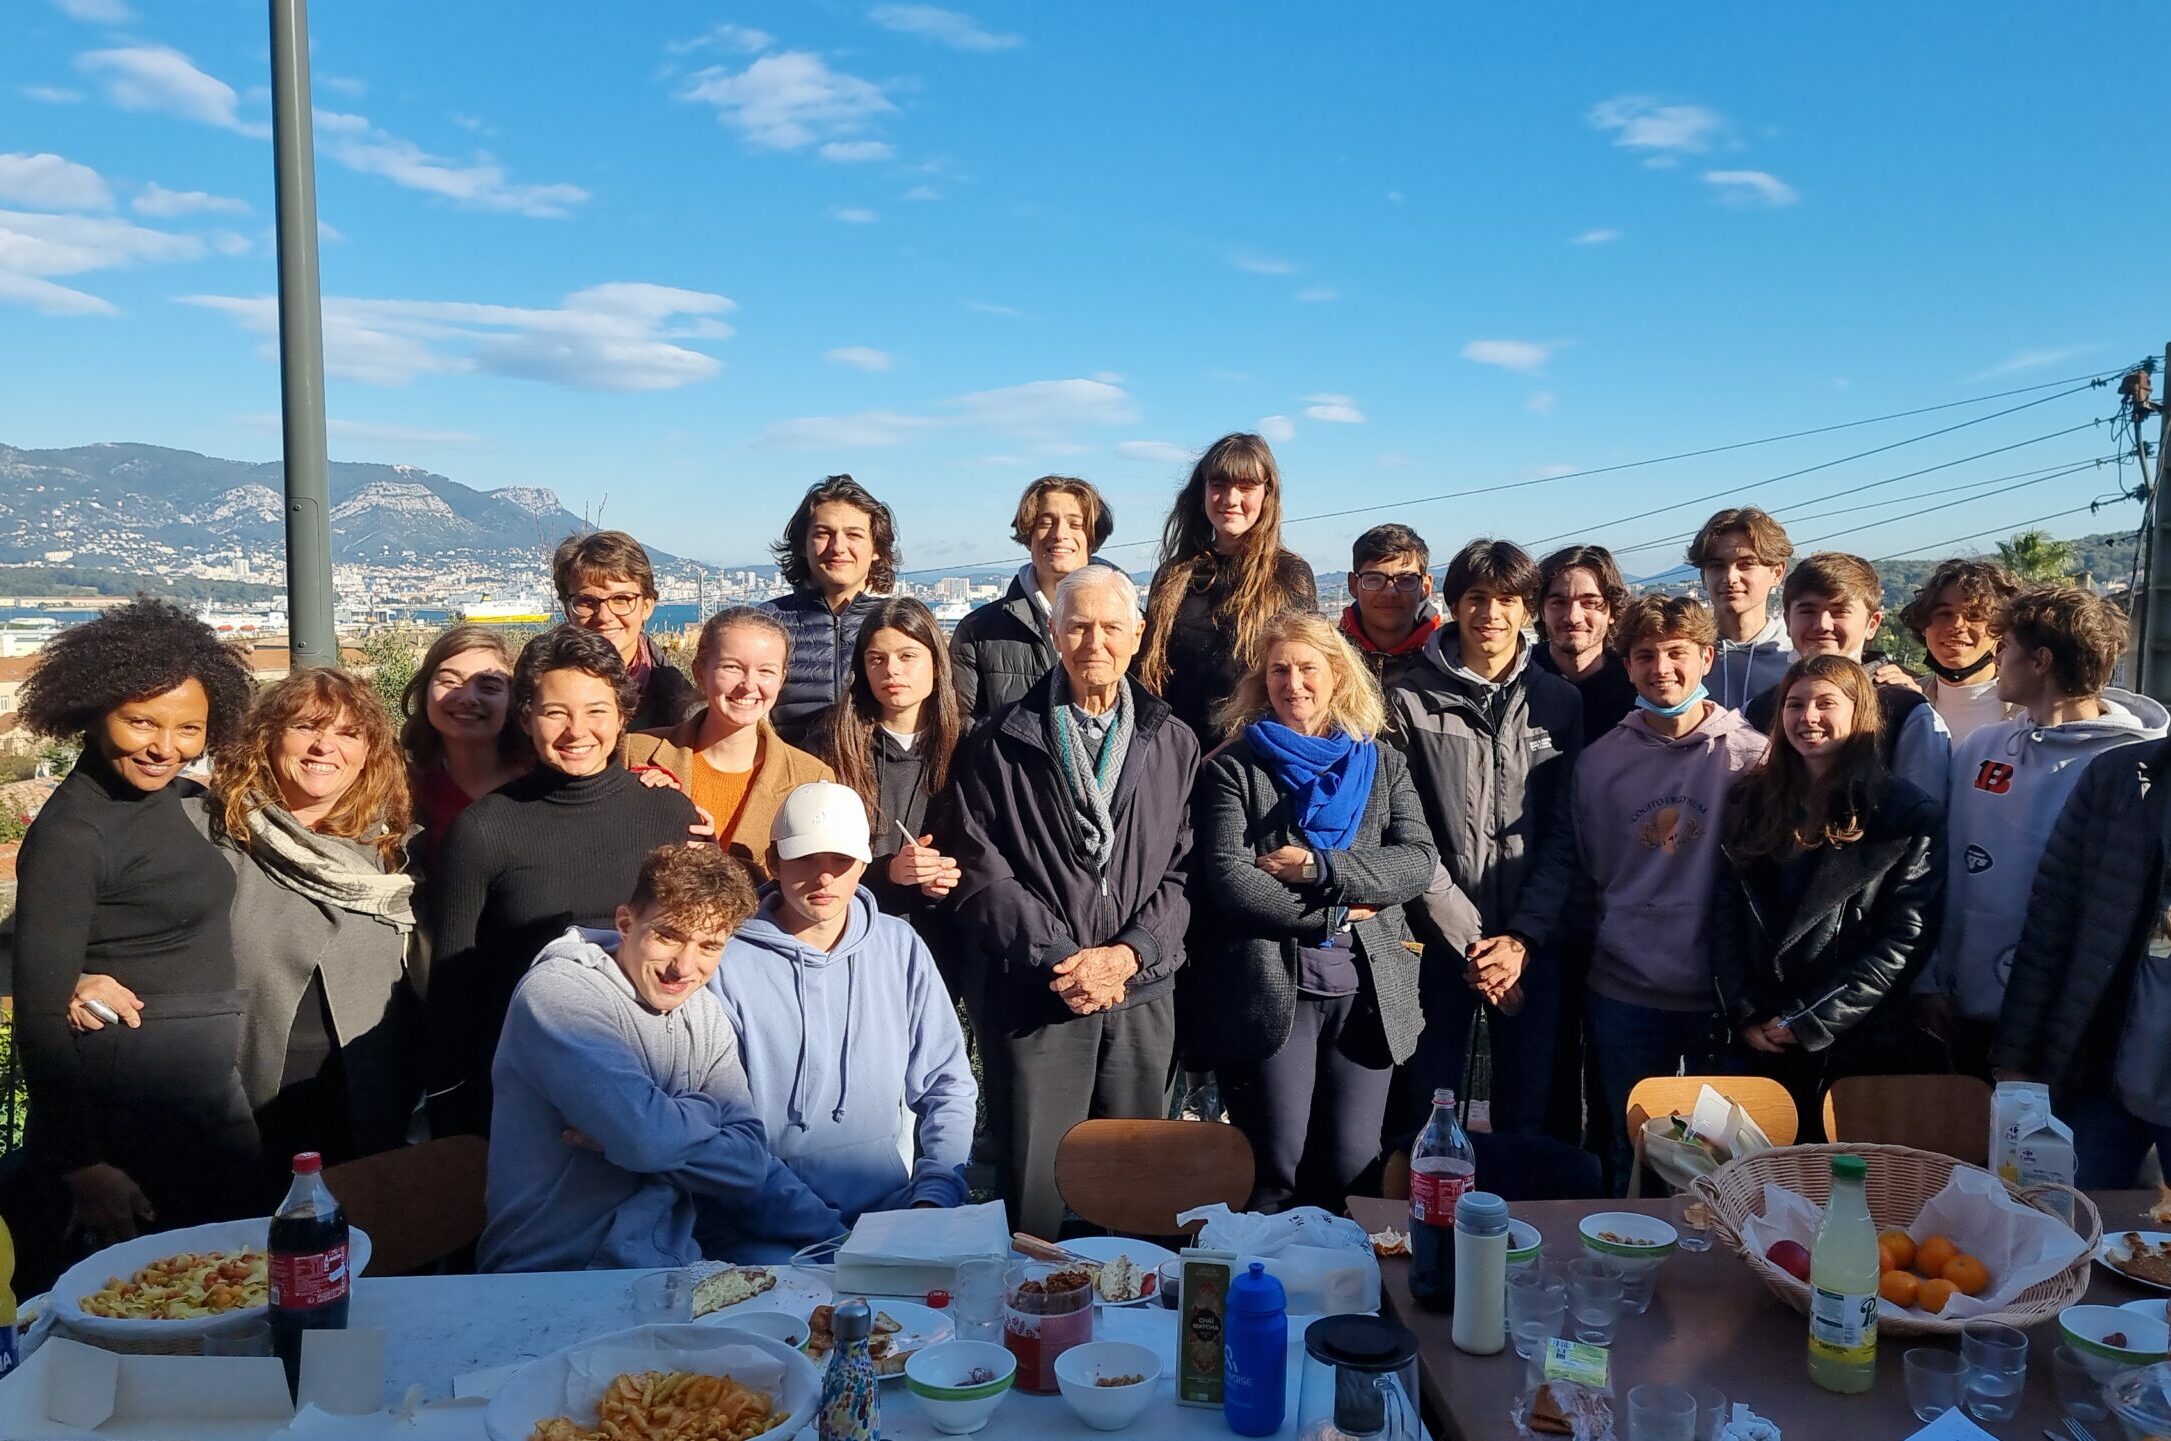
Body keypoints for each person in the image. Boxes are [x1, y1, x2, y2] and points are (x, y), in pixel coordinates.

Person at [944, 564, 1199, 1237]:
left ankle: (1140, 1323)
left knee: (1139, 1182)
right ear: (1052, 631)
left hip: (1139, 994)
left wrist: (1127, 954)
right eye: (1077, 625)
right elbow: (981, 870)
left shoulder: (1171, 739)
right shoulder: (1000, 740)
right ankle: (1030, 1329)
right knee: (1034, 1189)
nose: (1094, 641)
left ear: (1137, 634)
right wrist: (1061, 958)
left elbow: (1183, 870)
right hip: (1037, 992)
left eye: (1110, 626)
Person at [11, 599, 259, 1284]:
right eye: (141, 721)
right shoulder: (73, 834)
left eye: (188, 728)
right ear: (91, 711)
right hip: (130, 1126)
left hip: (199, 1101)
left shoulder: (177, 796)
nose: (164, 745)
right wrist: (83, 1165)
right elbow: (37, 1019)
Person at [479, 844, 842, 1272]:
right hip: (550, 1277)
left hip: (669, 1274)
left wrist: (843, 1242)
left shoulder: (703, 1013)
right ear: (625, 923)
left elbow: (747, 1164)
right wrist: (698, 1120)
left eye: (709, 946)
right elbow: (646, 1143)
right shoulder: (560, 995)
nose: (684, 967)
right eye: (669, 935)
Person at [1187, 612, 1436, 1212]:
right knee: (1276, 1165)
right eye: (1279, 670)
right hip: (1272, 992)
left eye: (1307, 668)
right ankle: (1270, 1296)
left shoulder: (1383, 764)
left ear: (1338, 677)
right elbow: (1232, 880)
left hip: (1368, 992)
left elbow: (1418, 862)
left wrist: (1319, 870)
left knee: (1355, 1165)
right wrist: (1339, 914)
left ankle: (1345, 1294)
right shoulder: (1234, 768)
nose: (1293, 683)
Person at [426, 625, 704, 1138]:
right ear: (526, 717)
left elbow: (700, 953)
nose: (577, 730)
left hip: (659, 1090)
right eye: (556, 712)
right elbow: (454, 983)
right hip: (529, 1103)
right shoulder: (485, 829)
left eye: (596, 711)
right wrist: (456, 1118)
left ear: (623, 715)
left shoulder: (667, 813)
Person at [700, 784, 977, 1259]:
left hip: (890, 1221)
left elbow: (948, 1085)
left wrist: (934, 1195)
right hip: (762, 1230)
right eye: (806, 858)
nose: (824, 877)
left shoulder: (900, 946)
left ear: (865, 866)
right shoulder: (723, 960)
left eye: (841, 861)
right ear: (773, 862)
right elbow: (719, 1125)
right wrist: (828, 1235)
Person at [1921, 586, 2166, 1078]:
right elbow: (1940, 868)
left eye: (2006, 646)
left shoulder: (2135, 768)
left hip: (2068, 1022)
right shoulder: (1982, 747)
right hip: (1961, 1008)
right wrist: (1929, 979)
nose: (1996, 658)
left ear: (2041, 660)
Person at [197, 669, 423, 1192]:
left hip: (370, 1101)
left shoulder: (396, 848)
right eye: (305, 726)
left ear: (370, 752)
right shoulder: (208, 834)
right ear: (267, 737)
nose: (325, 746)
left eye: (348, 733)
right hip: (242, 1103)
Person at [1385, 538, 1583, 1135]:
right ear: (1451, 605)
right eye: (1475, 597)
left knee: (1530, 1113)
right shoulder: (1406, 699)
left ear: (1527, 610)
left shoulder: (1558, 701)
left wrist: (1520, 940)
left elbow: (1563, 832)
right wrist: (1474, 945)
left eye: (1506, 599)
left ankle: (1520, 1228)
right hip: (1432, 942)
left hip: (1532, 943)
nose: (1490, 613)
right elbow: (1405, 828)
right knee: (1425, 1110)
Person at [1573, 597, 1767, 1180]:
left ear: (1706, 657)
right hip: (1625, 986)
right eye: (1645, 656)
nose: (1662, 668)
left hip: (1719, 992)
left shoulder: (1753, 759)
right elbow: (1593, 869)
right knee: (1625, 1144)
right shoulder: (1598, 763)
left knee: (1722, 1156)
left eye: (1677, 653)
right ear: (1626, 666)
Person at [1713, 655, 1946, 1132]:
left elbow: (1904, 941)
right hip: (1759, 1039)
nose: (1808, 717)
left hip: (1857, 1044)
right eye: (1794, 705)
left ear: (1859, 712)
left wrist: (1810, 1019)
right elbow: (1724, 915)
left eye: (1825, 703)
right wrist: (1747, 1012)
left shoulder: (1904, 813)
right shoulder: (1750, 801)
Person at [1992, 735, 2171, 1186]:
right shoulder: (2118, 778)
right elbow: (2049, 926)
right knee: (2061, 1237)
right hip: (2102, 1080)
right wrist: (2017, 1059)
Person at [624, 607, 835, 881]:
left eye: (766, 671)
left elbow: (815, 881)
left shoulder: (811, 779)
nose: (749, 685)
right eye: (732, 667)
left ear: (782, 679)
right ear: (699, 672)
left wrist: (722, 865)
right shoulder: (636, 752)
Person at [1140, 433, 1318, 745]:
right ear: (1202, 492)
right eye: (1219, 485)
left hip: (1254, 758)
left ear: (1267, 494)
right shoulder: (1174, 575)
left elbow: (1300, 680)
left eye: (1246, 487)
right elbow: (1150, 676)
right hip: (1174, 753)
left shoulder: (1289, 575)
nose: (1230, 499)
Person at [807, 598, 965, 943]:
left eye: (908, 656)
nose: (891, 670)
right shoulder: (831, 744)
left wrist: (951, 874)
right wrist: (889, 872)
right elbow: (813, 855)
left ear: (936, 664)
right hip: (851, 931)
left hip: (947, 941)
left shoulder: (969, 745)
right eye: (876, 659)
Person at [1745, 552, 1951, 810]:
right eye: (1808, 610)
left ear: (1872, 623)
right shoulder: (1757, 711)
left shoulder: (1907, 714)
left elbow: (1923, 824)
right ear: (1787, 620)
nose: (1822, 625)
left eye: (1839, 610)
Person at [951, 475, 1115, 723]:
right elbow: (963, 725)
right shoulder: (978, 630)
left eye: (1075, 524)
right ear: (1028, 534)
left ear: (1092, 537)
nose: (1059, 534)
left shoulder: (1127, 623)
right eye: (1045, 523)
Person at [762, 476, 897, 746]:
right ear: (802, 545)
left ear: (876, 549)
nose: (838, 547)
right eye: (823, 533)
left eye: (854, 535)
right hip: (790, 782)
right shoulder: (765, 625)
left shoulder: (900, 624)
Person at [400, 624, 528, 871]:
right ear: (425, 691)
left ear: (513, 700)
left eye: (489, 687)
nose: (468, 698)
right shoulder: (404, 792)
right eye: (450, 681)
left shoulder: (542, 786)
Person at [553, 530, 697, 733]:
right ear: (568, 609)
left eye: (621, 599)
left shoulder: (683, 707)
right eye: (586, 601)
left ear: (647, 606)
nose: (604, 616)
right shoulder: (537, 688)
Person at [1897, 559, 2024, 743]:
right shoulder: (1899, 705)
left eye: (1974, 615)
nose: (1957, 625)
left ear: (2002, 630)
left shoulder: (2032, 711)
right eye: (1944, 613)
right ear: (1924, 625)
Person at [1688, 507, 1794, 711]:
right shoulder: (1682, 655)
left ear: (1777, 573)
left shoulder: (1793, 658)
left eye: (1745, 564)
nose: (1730, 578)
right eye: (1717, 566)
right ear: (1703, 576)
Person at [1533, 545, 1639, 747]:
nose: (1573, 617)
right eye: (1559, 602)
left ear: (1612, 611)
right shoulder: (1517, 682)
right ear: (1541, 609)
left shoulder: (1637, 686)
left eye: (1589, 603)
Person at [1337, 524, 1441, 693]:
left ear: (1426, 586)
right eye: (1374, 579)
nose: (1390, 592)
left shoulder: (1448, 662)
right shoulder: (1328, 660)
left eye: (1405, 579)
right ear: (1354, 585)